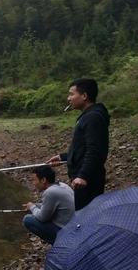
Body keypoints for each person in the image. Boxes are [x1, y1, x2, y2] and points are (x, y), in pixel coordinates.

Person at [47, 78, 110, 210]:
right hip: (82, 179)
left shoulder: (93, 117)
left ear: (84, 96)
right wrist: (63, 157)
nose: (68, 98)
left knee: (86, 217)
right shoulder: (88, 116)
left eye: (71, 94)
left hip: (87, 181)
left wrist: (83, 176)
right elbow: (82, 147)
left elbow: (95, 150)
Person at [22, 166, 75, 244]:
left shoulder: (50, 192)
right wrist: (35, 205)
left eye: (34, 180)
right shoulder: (62, 185)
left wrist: (32, 207)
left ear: (43, 180)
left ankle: (60, 244)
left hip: (66, 232)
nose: (33, 183)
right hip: (73, 226)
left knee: (28, 220)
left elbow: (42, 218)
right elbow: (50, 206)